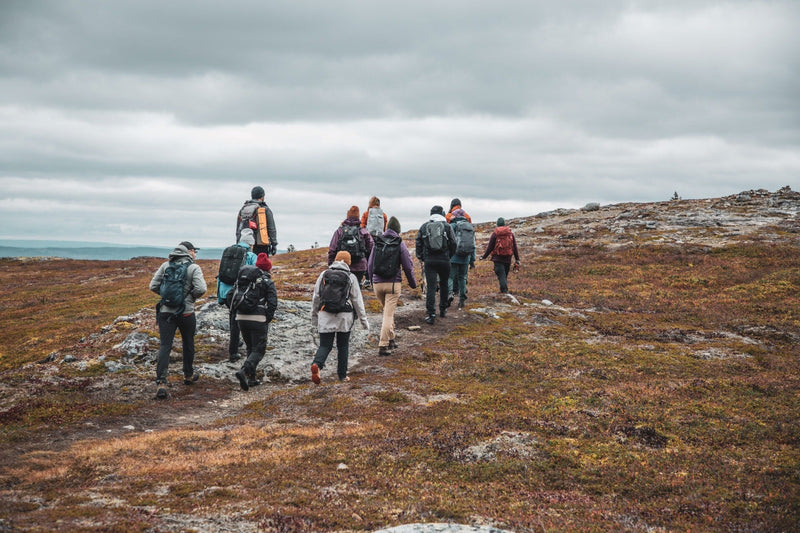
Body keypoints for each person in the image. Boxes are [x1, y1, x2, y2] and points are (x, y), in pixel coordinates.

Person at [149, 241, 207, 399]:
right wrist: (189, 299)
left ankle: (161, 382)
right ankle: (188, 375)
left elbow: (153, 286)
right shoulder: (193, 267)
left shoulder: (165, 266)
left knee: (165, 345)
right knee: (188, 342)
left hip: (166, 313)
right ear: (188, 253)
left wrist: (167, 298)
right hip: (186, 313)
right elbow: (201, 289)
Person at [310, 251, 369, 383]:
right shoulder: (351, 277)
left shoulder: (323, 275)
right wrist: (364, 321)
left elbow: (316, 297)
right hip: (344, 316)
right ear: (349, 263)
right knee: (343, 346)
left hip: (325, 314)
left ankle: (317, 365)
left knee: (325, 345)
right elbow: (357, 301)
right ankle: (342, 376)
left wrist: (314, 318)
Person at [367, 216, 417, 356]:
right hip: (393, 284)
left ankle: (391, 339)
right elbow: (408, 266)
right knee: (388, 315)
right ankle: (383, 345)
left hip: (378, 284)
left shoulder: (378, 241)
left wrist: (372, 281)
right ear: (398, 230)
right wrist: (413, 283)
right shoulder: (399, 243)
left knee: (388, 312)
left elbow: (370, 264)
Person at [232, 253, 278, 391]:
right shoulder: (267, 282)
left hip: (241, 318)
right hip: (258, 319)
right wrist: (267, 317)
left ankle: (252, 378)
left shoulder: (244, 281)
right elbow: (273, 303)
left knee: (250, 347)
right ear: (268, 269)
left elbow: (232, 296)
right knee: (259, 349)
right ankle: (244, 371)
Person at [217, 228, 258, 362]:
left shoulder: (228, 252)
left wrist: (220, 296)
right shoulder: (251, 256)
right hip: (238, 292)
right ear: (251, 243)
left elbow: (220, 275)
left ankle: (237, 342)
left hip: (225, 292)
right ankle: (233, 352)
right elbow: (255, 274)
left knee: (232, 316)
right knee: (237, 320)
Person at [415, 205, 456, 325]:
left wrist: (422, 257)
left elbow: (418, 242)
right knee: (444, 285)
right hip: (444, 260)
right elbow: (454, 243)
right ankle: (443, 309)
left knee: (431, 288)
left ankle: (431, 314)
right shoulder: (447, 227)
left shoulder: (424, 226)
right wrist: (449, 256)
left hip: (430, 261)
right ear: (442, 214)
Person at [327, 206, 374, 285]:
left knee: (342, 288)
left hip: (341, 265)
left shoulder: (339, 231)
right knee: (356, 289)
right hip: (360, 266)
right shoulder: (363, 231)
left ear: (347, 215)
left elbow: (332, 249)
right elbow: (371, 247)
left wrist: (331, 265)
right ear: (358, 216)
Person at [480, 217, 521, 294]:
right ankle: (504, 292)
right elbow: (514, 247)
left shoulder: (495, 234)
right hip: (508, 258)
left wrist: (484, 257)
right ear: (504, 224)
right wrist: (517, 259)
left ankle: (504, 292)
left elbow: (490, 247)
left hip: (498, 259)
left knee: (501, 276)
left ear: (497, 224)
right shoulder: (510, 234)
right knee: (504, 276)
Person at [236, 186, 277, 256]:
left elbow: (238, 228)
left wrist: (238, 242)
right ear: (262, 196)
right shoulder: (264, 209)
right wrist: (274, 244)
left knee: (247, 264)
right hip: (261, 243)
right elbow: (271, 228)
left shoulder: (243, 208)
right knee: (260, 265)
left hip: (245, 242)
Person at [448, 208, 476, 310]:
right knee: (462, 278)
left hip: (454, 257)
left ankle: (450, 294)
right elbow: (473, 244)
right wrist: (472, 259)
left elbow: (448, 243)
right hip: (466, 257)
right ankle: (462, 300)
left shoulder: (452, 226)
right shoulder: (470, 226)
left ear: (455, 216)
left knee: (450, 277)